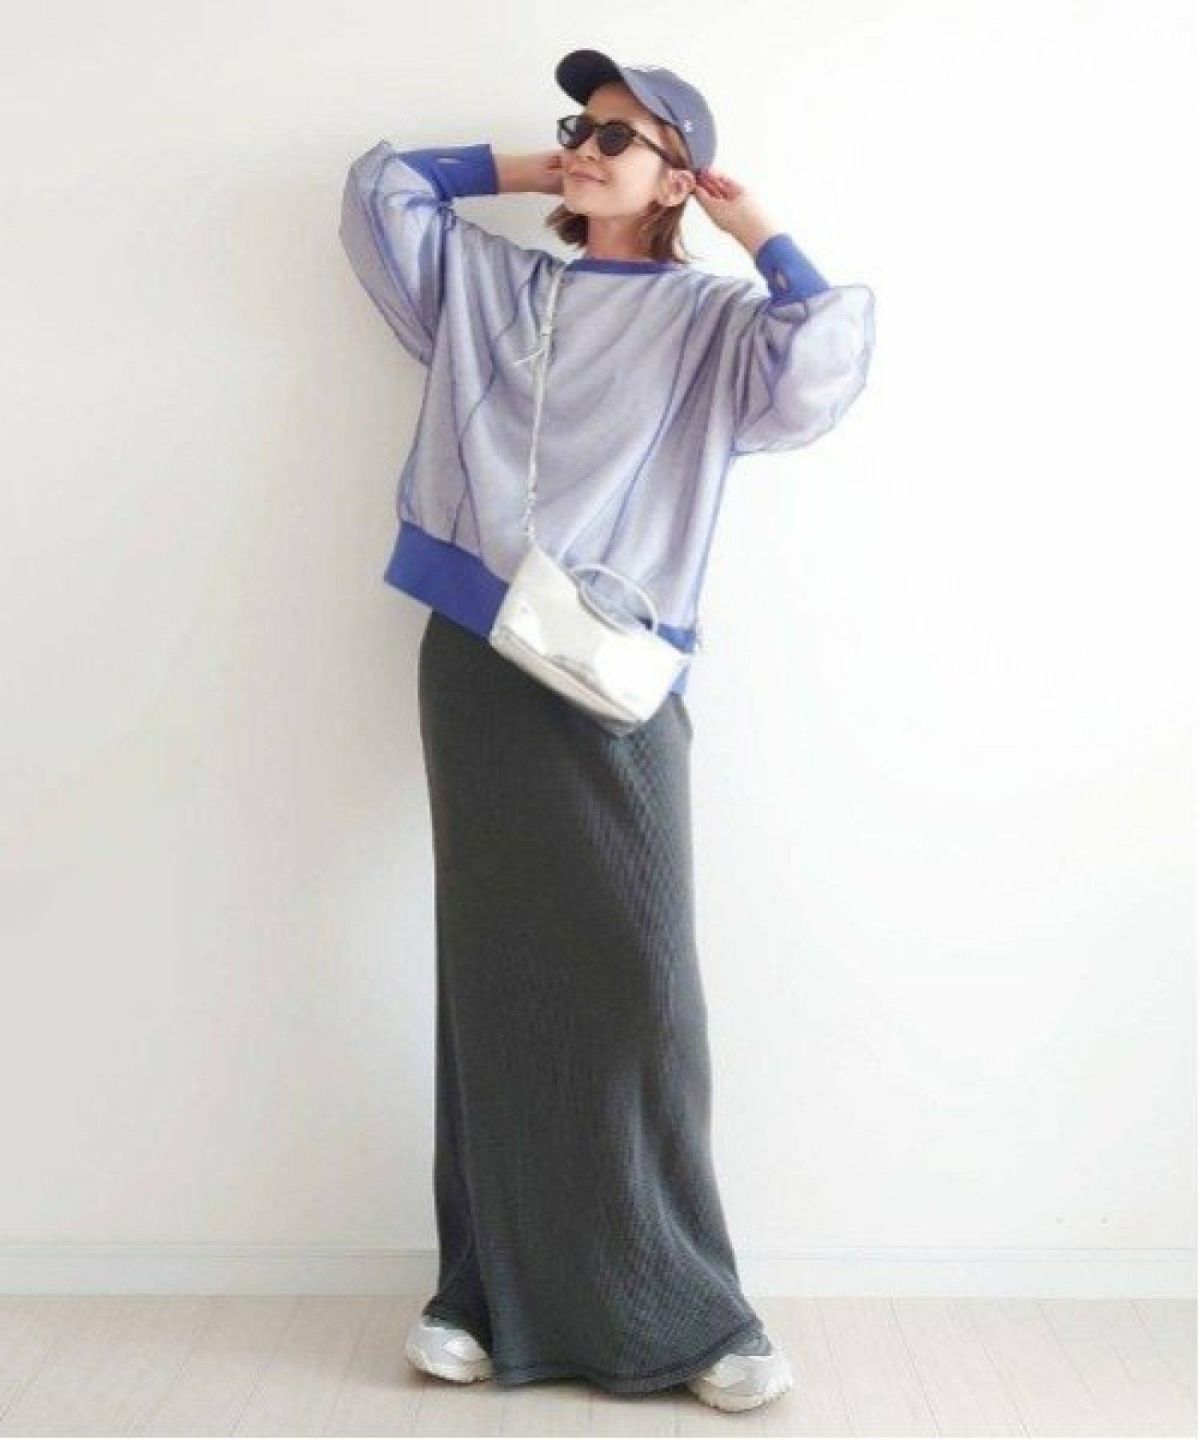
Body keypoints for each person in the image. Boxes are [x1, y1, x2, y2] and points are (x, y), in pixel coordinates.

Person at [339, 48, 875, 1413]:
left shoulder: (709, 321)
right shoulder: (497, 286)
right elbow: (381, 193)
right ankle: (476, 1294)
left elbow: (824, 362)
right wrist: (542, 170)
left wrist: (755, 227)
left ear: (679, 176)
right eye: (578, 123)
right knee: (491, 974)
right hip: (477, 656)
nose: (585, 143)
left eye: (621, 137)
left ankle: (697, 1314)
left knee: (643, 988)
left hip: (617, 678)